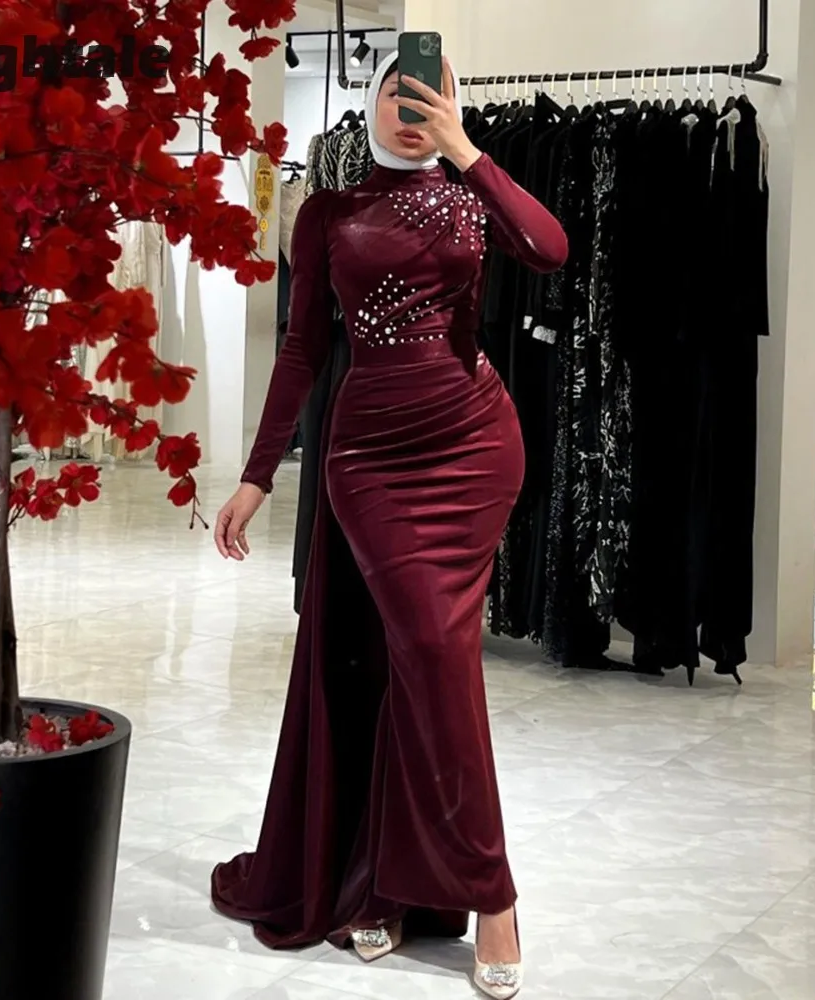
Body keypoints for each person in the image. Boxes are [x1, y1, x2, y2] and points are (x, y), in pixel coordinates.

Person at [210, 51, 567, 1000]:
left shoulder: (472, 199)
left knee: (427, 666)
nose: (412, 109)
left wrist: (466, 150)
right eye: (398, 94)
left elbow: (550, 248)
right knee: (421, 658)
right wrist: (256, 476)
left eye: (431, 95)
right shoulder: (326, 213)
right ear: (370, 102)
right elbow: (301, 352)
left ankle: (454, 893)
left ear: (452, 105)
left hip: (473, 446)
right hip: (369, 463)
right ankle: (440, 883)